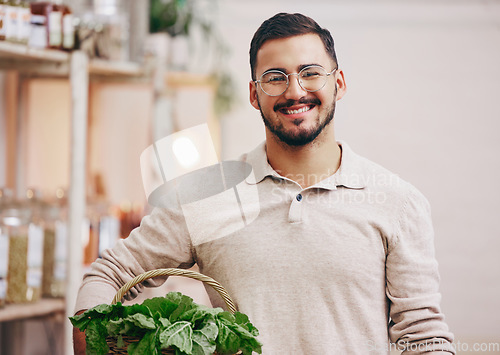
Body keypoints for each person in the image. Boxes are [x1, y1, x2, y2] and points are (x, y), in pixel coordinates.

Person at [74, 12, 455, 354]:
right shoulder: (209, 193)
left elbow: (423, 337)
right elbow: (110, 272)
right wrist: (89, 336)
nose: (294, 91)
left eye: (310, 73)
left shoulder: (396, 201)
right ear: (255, 95)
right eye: (275, 78)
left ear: (338, 83)